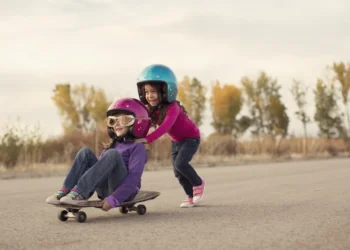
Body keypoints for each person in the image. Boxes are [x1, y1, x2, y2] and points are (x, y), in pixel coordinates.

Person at [45, 98, 151, 212]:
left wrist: (114, 199)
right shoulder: (113, 145)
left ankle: (79, 193)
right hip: (105, 190)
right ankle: (66, 191)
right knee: (85, 152)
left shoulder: (137, 147)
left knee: (112, 154)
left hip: (125, 193)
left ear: (138, 122)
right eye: (112, 120)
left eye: (124, 119)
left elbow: (134, 178)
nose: (116, 124)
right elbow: (98, 171)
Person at [135, 64, 206, 208]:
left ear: (166, 90)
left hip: (191, 138)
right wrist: (134, 135)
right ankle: (191, 196)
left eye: (153, 91)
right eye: (146, 92)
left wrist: (147, 139)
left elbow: (164, 127)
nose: (150, 96)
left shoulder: (173, 107)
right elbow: (145, 124)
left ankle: (199, 183)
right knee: (177, 171)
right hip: (176, 141)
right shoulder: (152, 109)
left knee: (181, 164)